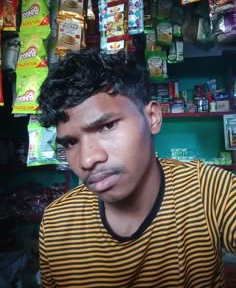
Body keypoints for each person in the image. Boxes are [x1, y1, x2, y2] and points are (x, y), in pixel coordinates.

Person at [38, 47, 236, 288]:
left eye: (107, 126)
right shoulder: (56, 223)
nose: (87, 160)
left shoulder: (209, 191)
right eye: (71, 142)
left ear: (152, 117)